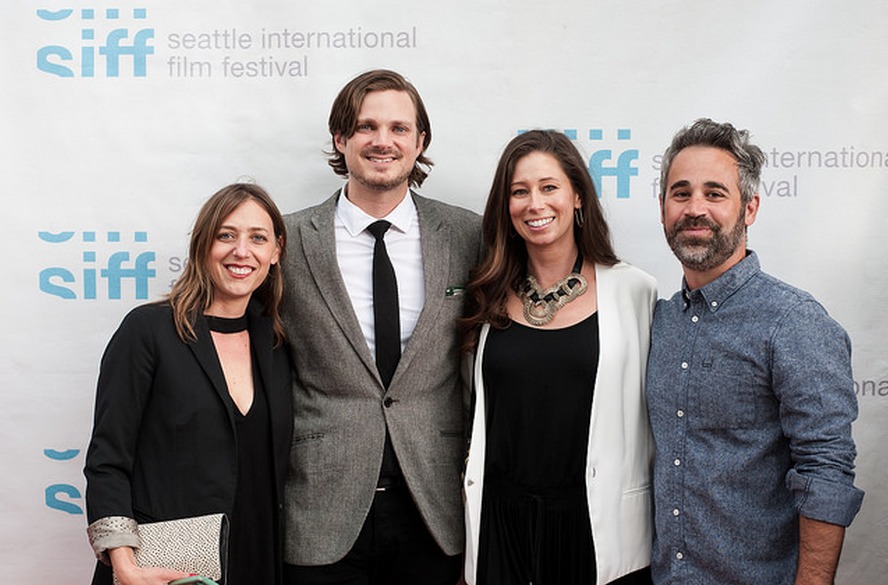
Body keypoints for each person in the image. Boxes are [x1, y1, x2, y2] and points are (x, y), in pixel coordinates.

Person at [280, 69, 481, 585]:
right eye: (366, 127)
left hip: (435, 505)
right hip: (319, 508)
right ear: (340, 139)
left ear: (420, 141)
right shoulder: (288, 239)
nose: (382, 141)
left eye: (398, 128)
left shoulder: (468, 235)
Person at [647, 118, 865, 585]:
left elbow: (825, 470)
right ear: (663, 208)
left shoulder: (794, 321)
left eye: (715, 193)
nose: (695, 208)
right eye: (680, 193)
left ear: (749, 208)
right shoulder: (660, 321)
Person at [460, 130, 657, 585]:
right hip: (500, 525)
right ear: (505, 208)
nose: (535, 203)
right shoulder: (485, 293)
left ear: (579, 196)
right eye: (519, 191)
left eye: (549, 187)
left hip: (595, 525)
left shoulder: (634, 292)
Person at [84, 183, 293, 585]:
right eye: (226, 235)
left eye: (258, 238)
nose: (241, 251)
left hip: (258, 560)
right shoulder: (148, 331)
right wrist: (125, 567)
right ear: (203, 245)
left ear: (276, 251)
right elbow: (108, 461)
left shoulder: (278, 346)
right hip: (165, 570)